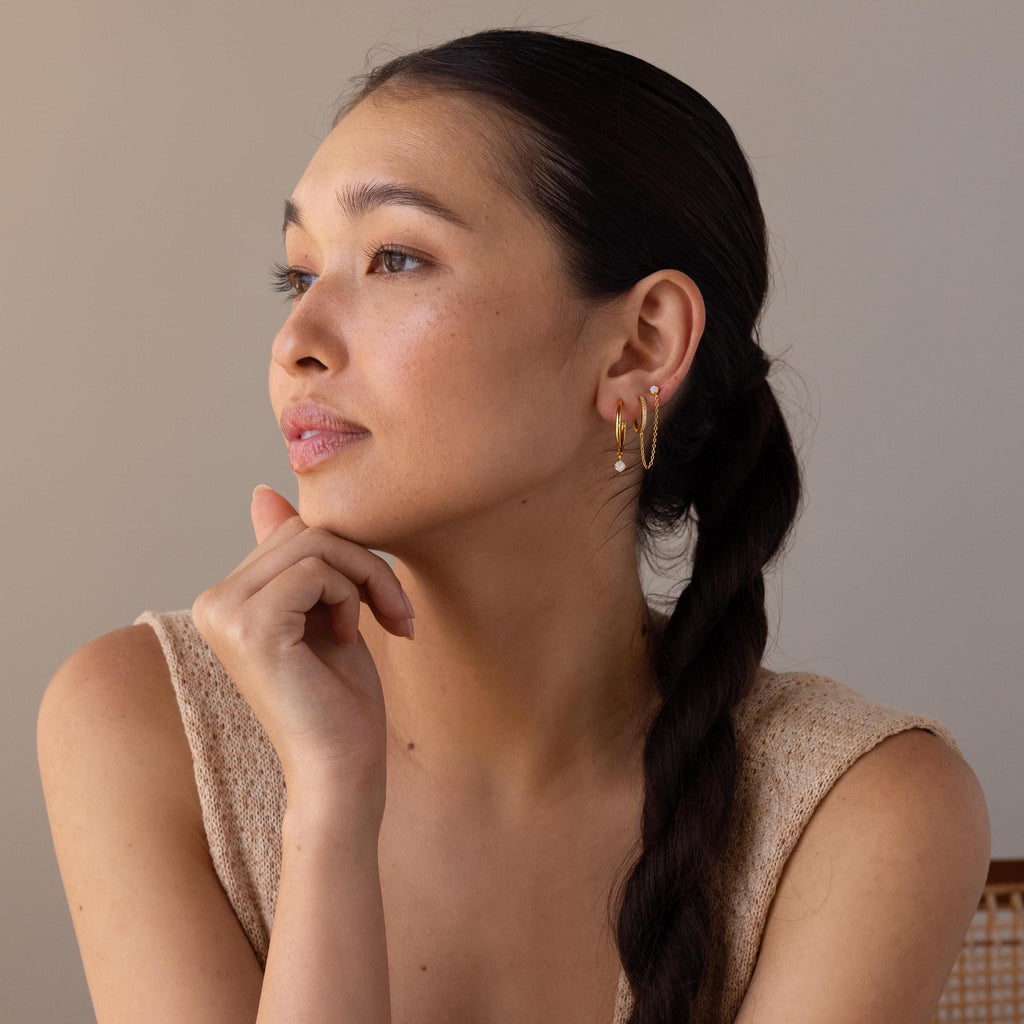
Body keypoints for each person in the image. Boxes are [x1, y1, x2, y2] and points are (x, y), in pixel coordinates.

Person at [37, 26, 990, 1024]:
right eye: (299, 272)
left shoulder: (859, 808)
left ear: (640, 342)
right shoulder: (142, 724)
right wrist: (327, 809)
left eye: (397, 258)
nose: (295, 343)